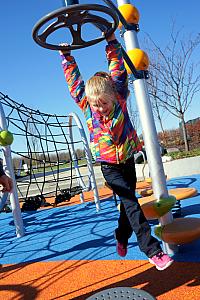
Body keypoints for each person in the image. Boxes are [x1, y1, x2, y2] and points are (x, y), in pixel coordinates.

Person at [59, 33, 173, 271]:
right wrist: (67, 57)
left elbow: (118, 68)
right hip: (109, 166)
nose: (99, 108)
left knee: (127, 205)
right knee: (131, 202)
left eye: (104, 103)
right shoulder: (88, 106)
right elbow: (75, 84)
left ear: (114, 95)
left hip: (127, 160)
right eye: (95, 104)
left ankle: (121, 236)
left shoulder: (119, 96)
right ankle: (152, 250)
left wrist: (111, 42)